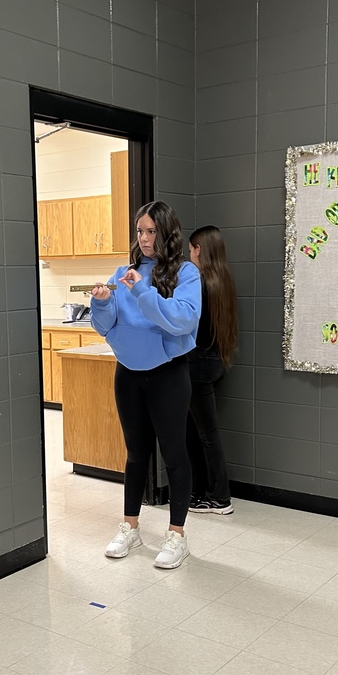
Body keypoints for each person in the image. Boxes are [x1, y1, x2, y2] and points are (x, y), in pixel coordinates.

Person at [90, 200, 201, 569]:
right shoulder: (124, 272)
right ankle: (130, 527)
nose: (144, 238)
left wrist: (142, 291)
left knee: (174, 455)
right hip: (128, 374)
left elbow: (182, 321)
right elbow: (105, 326)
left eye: (151, 231)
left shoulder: (185, 274)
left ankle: (176, 535)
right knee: (135, 454)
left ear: (167, 232)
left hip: (168, 375)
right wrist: (103, 302)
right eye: (140, 231)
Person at [186, 225, 238, 514]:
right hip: (216, 360)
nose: (189, 252)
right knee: (201, 432)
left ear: (200, 250)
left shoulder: (199, 283)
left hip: (196, 364)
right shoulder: (223, 279)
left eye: (192, 248)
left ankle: (219, 497)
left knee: (204, 434)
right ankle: (206, 493)